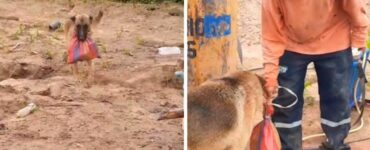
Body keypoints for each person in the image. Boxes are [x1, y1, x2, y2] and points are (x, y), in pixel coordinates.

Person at [262, 0, 369, 150]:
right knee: (286, 101)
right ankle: (288, 146)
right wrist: (270, 77)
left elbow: (355, 5)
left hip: (334, 37)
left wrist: (358, 39)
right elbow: (271, 35)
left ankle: (335, 144)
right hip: (291, 43)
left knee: (337, 99)